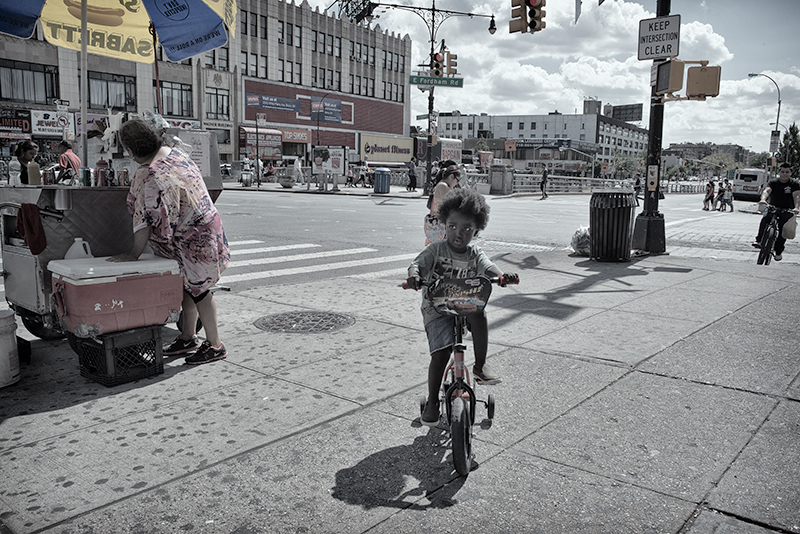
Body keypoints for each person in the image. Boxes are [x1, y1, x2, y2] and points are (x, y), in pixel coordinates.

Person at [109, 119, 230, 365]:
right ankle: (187, 336)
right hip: (206, 227)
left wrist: (133, 255)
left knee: (201, 291)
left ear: (131, 152)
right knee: (187, 287)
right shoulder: (177, 155)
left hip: (193, 237)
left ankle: (215, 345)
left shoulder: (150, 172)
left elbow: (143, 221)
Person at [407, 187, 518, 426]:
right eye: (453, 226)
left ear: (476, 230)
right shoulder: (435, 250)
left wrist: (501, 276)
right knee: (441, 353)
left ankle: (479, 366)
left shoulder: (474, 253)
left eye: (467, 229)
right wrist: (415, 275)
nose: (459, 233)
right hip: (436, 308)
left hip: (465, 304)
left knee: (479, 314)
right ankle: (434, 402)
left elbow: (488, 266)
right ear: (444, 224)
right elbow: (417, 265)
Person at [753, 162, 800, 262]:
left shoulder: (794, 184)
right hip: (773, 207)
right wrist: (763, 199)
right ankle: (759, 241)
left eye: (787, 172)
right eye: (782, 171)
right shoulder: (773, 182)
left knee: (783, 232)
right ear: (779, 172)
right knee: (765, 220)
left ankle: (778, 251)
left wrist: (796, 208)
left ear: (791, 173)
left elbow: (797, 196)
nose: (784, 174)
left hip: (787, 210)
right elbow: (767, 191)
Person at [425, 160, 461, 245]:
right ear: (451, 176)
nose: (457, 183)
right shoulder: (443, 186)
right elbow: (454, 202)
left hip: (441, 224)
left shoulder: (444, 185)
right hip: (439, 226)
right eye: (457, 180)